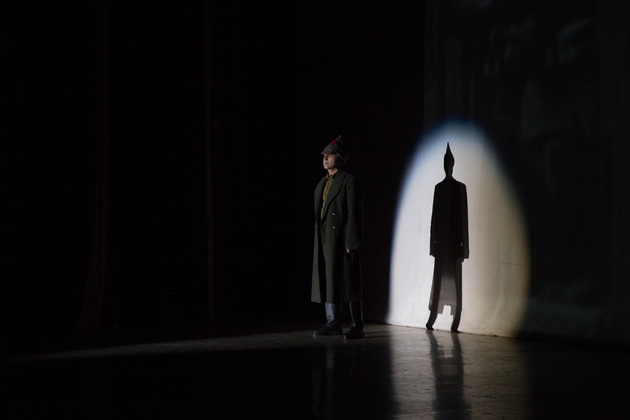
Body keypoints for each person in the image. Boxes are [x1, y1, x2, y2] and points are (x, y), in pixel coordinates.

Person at [311, 135, 365, 339]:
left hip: (342, 239)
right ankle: (333, 322)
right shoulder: (323, 182)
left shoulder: (348, 181)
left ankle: (357, 325)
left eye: (330, 155)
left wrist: (352, 241)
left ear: (340, 158)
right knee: (329, 280)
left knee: (350, 282)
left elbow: (354, 214)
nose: (325, 158)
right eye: (324, 155)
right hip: (326, 239)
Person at [426, 143, 469, 332]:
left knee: (455, 281)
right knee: (438, 280)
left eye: (449, 163)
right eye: (446, 163)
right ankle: (433, 316)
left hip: (453, 244)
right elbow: (434, 219)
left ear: (452, 164)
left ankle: (455, 319)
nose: (447, 166)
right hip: (442, 243)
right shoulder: (439, 188)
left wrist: (464, 249)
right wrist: (432, 246)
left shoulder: (460, 188)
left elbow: (463, 219)